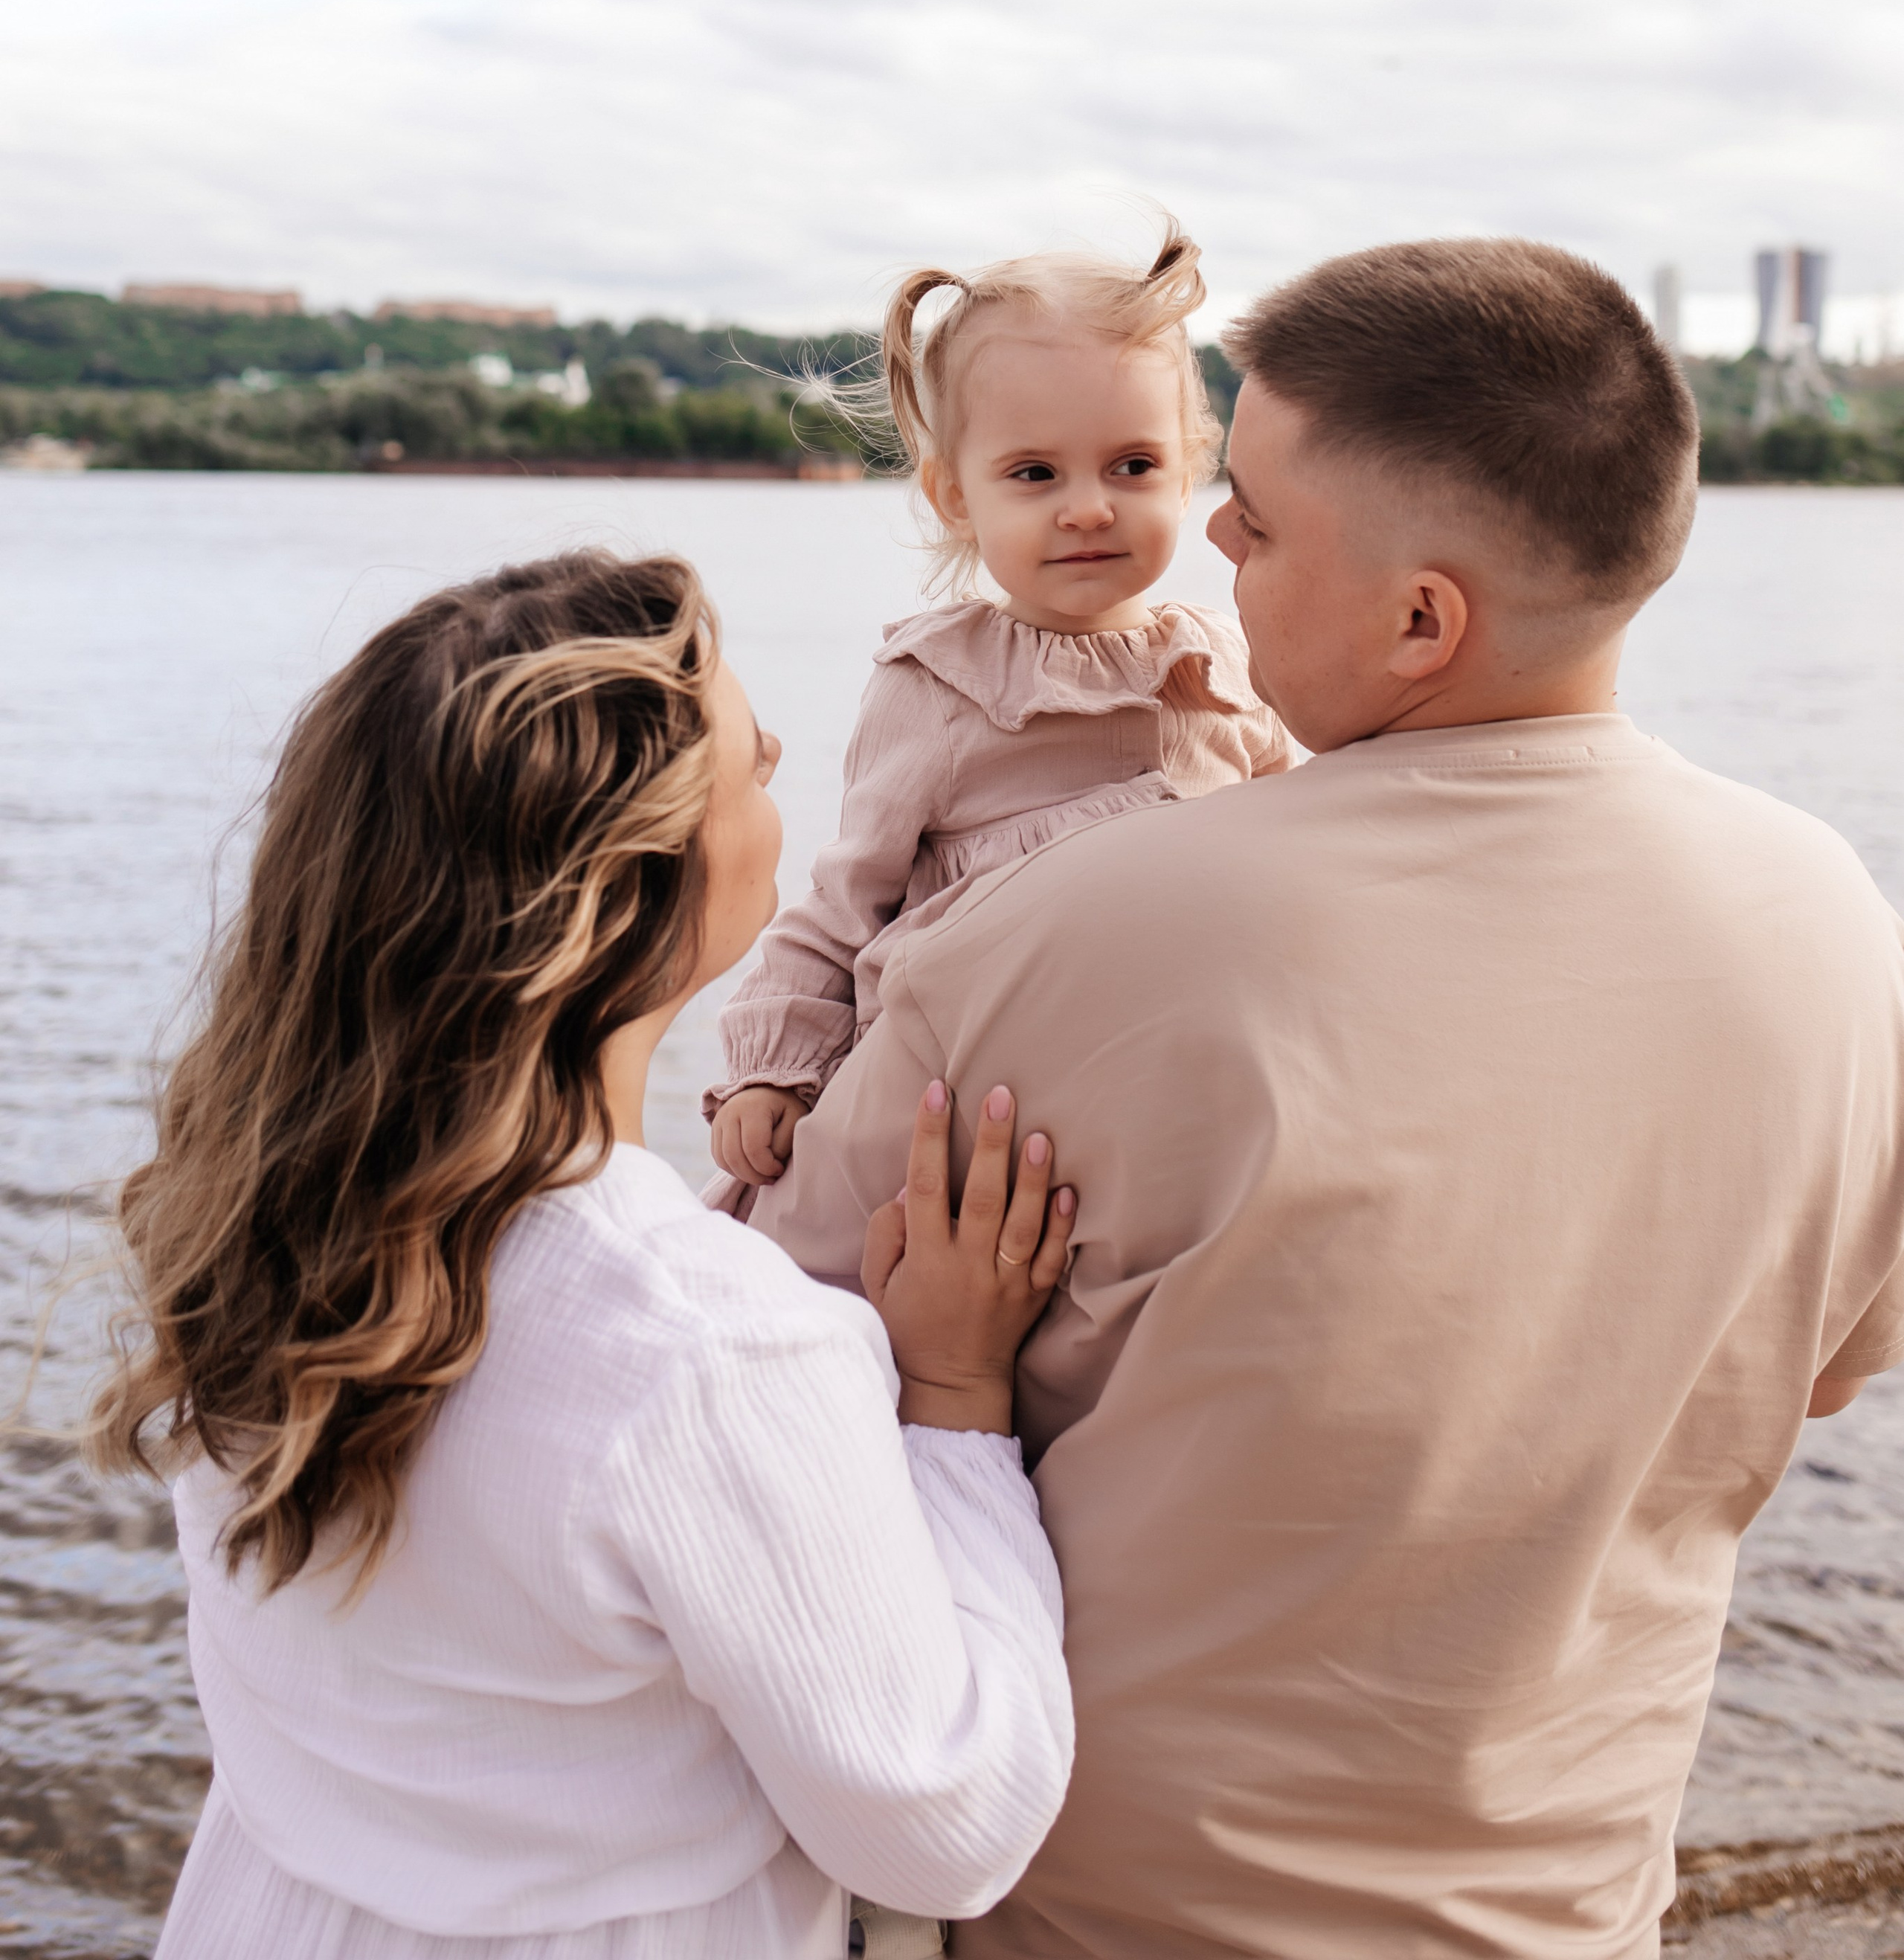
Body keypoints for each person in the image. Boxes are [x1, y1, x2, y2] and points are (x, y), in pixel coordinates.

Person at [753, 238, 1904, 1959]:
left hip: (1108, 1917)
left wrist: (953, 1374)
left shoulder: (1056, 933)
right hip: (1574, 1903)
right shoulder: (1833, 922)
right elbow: (1816, 1365)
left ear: (1419, 618)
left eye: (1259, 522)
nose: (1205, 540)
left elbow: (752, 1364)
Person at [88, 550, 1078, 1960]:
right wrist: (960, 1406)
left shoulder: (247, 1228)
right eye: (748, 759)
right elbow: (948, 1824)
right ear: (626, 896)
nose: (781, 747)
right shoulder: (712, 1346)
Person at [707, 221, 1286, 1206]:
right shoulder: (939, 685)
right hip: (958, 1106)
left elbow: (1299, 838)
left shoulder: (1226, 659)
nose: (1089, 508)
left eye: (1133, 466)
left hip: (1159, 1097)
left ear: (1191, 471)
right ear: (953, 498)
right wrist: (772, 1069)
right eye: (1034, 475)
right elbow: (847, 906)